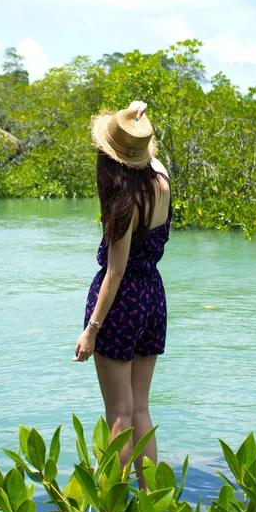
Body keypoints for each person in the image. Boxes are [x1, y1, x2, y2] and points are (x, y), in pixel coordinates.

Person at [74, 100, 172, 490]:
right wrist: (136, 116)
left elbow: (115, 274)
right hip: (153, 297)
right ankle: (153, 500)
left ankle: (110, 508)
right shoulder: (161, 181)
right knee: (140, 408)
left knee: (118, 413)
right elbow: (152, 155)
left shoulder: (122, 204)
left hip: (122, 304)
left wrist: (92, 329)